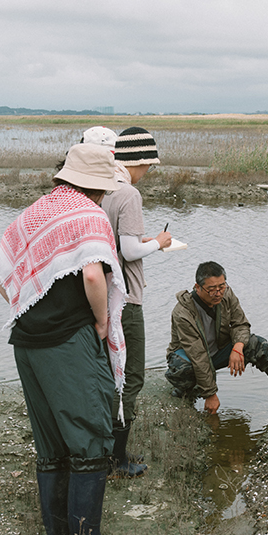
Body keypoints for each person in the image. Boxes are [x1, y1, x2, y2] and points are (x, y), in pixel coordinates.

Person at [0, 143, 127, 535]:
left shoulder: (34, 212)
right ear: (99, 187)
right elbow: (93, 273)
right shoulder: (89, 215)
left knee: (51, 442)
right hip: (68, 342)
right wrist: (102, 322)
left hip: (27, 342)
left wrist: (27, 307)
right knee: (88, 435)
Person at [100, 127, 172, 478]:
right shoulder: (127, 193)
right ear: (140, 161)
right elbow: (128, 251)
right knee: (131, 377)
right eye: (149, 165)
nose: (149, 172)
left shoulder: (99, 184)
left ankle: (101, 451)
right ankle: (117, 458)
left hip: (100, 296)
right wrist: (159, 241)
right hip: (125, 297)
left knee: (105, 373)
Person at [165, 262, 268, 414]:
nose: (218, 293)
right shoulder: (182, 313)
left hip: (218, 351)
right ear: (197, 287)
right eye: (211, 290)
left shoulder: (226, 294)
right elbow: (197, 355)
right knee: (185, 370)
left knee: (260, 346)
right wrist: (210, 394)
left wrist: (238, 346)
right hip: (189, 356)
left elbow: (241, 324)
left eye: (221, 287)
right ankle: (185, 390)